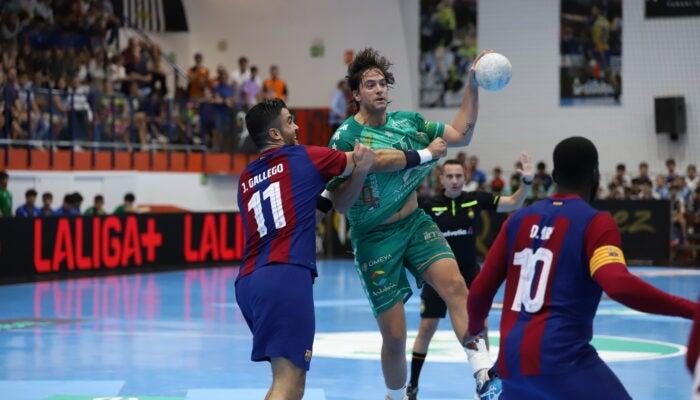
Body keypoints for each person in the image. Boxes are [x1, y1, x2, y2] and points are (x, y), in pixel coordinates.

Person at [234, 98, 447, 400]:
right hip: (284, 275)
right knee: (287, 380)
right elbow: (373, 159)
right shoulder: (302, 157)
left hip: (249, 281)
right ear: (275, 135)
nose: (297, 126)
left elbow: (313, 209)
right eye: (289, 120)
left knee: (292, 381)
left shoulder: (246, 178)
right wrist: (426, 154)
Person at [466, 136, 699, 400]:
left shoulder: (517, 220)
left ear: (553, 175)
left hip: (510, 365)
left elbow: (480, 291)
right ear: (595, 174)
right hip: (561, 361)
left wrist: (475, 330)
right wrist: (693, 310)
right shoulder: (595, 223)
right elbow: (619, 285)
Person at [326, 47, 493, 400]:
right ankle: (396, 393)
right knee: (396, 336)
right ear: (356, 95)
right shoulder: (344, 138)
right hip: (373, 238)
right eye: (370, 85)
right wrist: (360, 169)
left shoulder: (410, 123)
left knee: (457, 288)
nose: (379, 89)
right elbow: (340, 204)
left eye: (383, 83)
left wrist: (473, 85)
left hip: (415, 223)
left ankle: (483, 374)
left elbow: (461, 134)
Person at [407, 154, 533, 400]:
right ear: (441, 178)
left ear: (465, 178)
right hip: (437, 277)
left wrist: (526, 182)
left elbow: (514, 202)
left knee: (481, 326)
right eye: (450, 176)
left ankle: (485, 382)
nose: (454, 180)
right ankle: (412, 386)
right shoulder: (429, 206)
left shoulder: (475, 200)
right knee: (426, 328)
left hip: (469, 275)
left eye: (459, 176)